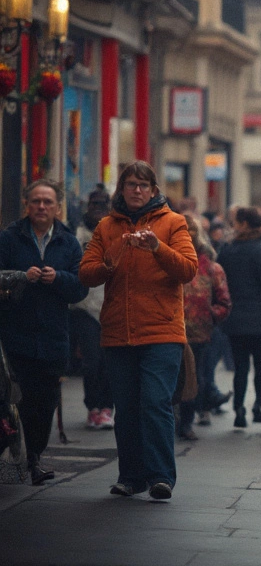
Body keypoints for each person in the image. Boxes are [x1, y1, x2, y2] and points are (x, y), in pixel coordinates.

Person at [80, 162, 198, 499]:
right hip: (118, 330)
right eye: (131, 184)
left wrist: (157, 249)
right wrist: (115, 253)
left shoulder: (173, 222)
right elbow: (86, 274)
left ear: (154, 189)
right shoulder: (106, 227)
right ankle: (131, 476)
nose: (137, 190)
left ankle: (161, 477)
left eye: (143, 185)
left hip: (162, 331)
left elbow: (189, 269)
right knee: (127, 407)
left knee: (155, 402)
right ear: (121, 189)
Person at [0, 180, 88, 484]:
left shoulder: (69, 242)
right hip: (14, 336)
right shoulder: (9, 239)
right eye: (36, 201)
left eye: (47, 202)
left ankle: (35, 457)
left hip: (53, 338)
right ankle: (17, 456)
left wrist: (58, 278)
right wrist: (21, 279)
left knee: (44, 401)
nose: (41, 207)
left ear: (58, 207)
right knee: (14, 401)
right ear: (27, 205)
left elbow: (80, 288)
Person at [216, 207, 261, 429]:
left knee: (240, 366)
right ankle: (258, 407)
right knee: (260, 365)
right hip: (260, 319)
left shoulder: (227, 251)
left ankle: (239, 409)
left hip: (235, 319)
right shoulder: (260, 250)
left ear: (243, 224)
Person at [176, 215, 231, 440]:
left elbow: (224, 302)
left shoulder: (211, 267)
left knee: (192, 379)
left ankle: (186, 422)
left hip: (198, 334)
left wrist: (210, 316)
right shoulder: (166, 261)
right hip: (167, 331)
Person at [69, 186, 112, 429]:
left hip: (110, 305)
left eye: (102, 205)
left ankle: (107, 407)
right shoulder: (78, 233)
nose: (98, 210)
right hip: (85, 305)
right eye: (94, 205)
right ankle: (93, 407)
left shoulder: (115, 231)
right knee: (92, 361)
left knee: (109, 361)